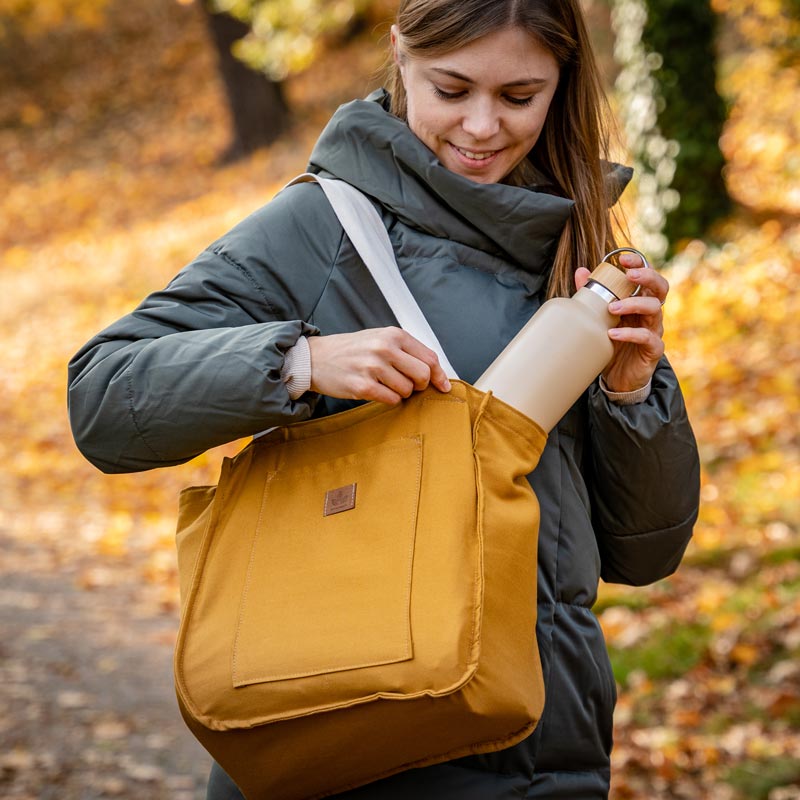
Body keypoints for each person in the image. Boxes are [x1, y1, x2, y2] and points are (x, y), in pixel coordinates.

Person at [67, 1, 701, 798]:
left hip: (548, 744)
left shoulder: (585, 250)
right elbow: (101, 396)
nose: (481, 126)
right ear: (400, 56)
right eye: (452, 88)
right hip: (353, 738)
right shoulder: (321, 229)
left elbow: (645, 554)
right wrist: (298, 361)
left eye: (517, 97)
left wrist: (632, 393)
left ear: (561, 85)